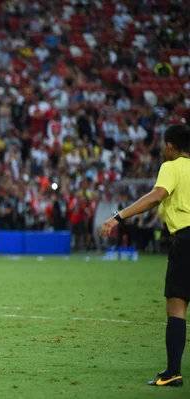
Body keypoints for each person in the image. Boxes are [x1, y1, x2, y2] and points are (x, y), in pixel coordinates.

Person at [100, 124, 190, 387]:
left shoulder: (171, 167)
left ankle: (172, 372)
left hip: (186, 240)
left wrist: (118, 217)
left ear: (170, 147)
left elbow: (157, 196)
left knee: (177, 306)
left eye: (165, 146)